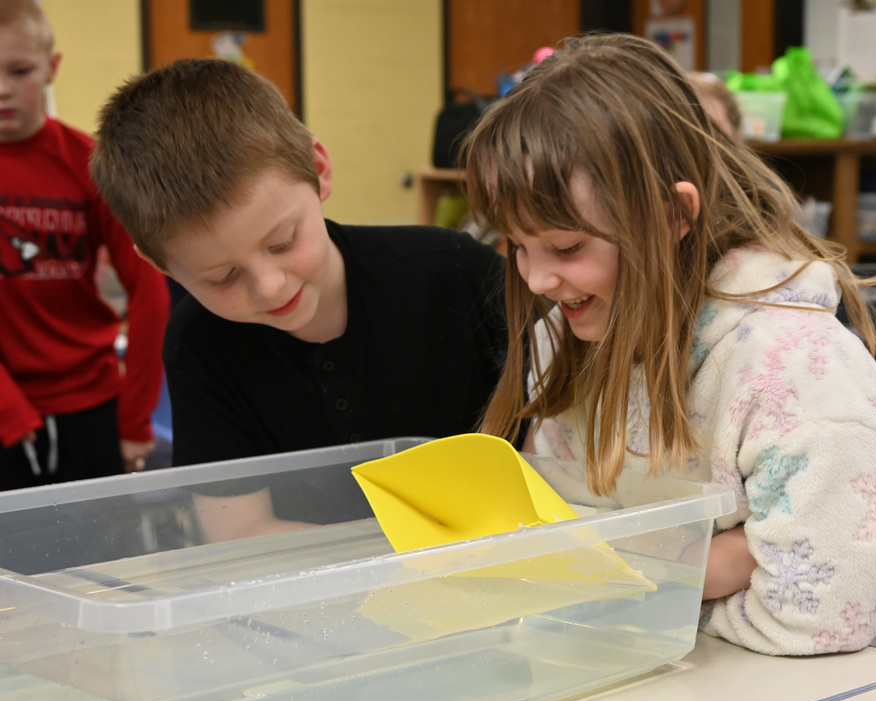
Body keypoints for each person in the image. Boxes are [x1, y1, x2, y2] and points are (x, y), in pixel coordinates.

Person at [461, 33, 876, 669]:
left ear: (672, 218)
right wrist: (720, 563)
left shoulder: (792, 367)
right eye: (517, 246)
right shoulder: (568, 335)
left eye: (568, 249)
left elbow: (820, 619)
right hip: (723, 634)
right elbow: (571, 544)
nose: (537, 279)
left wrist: (672, 577)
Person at [90, 58, 507, 542]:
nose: (270, 286)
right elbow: (238, 533)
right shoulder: (199, 347)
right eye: (223, 276)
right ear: (162, 266)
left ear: (319, 170)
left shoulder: (456, 273)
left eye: (283, 241)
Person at [0, 0, 169, 489]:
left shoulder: (91, 163)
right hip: (7, 410)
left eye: (20, 70)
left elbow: (150, 290)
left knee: (99, 556)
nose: (4, 89)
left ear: (51, 68)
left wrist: (135, 420)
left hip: (92, 407)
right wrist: (9, 412)